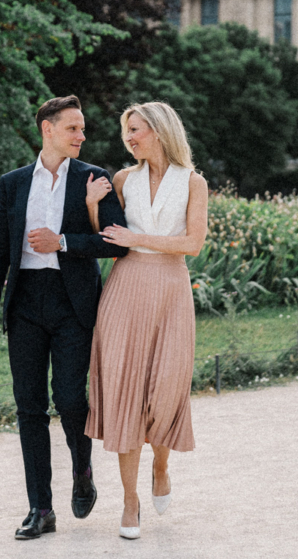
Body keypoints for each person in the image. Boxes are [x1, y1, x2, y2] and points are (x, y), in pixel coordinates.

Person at [0, 95, 131, 540]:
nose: (82, 136)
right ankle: (40, 508)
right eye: (73, 128)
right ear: (48, 129)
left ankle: (82, 469)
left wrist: (63, 242)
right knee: (29, 407)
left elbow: (116, 243)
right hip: (24, 302)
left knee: (68, 399)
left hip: (72, 304)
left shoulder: (94, 178)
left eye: (82, 129)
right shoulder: (13, 183)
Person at [84, 101, 208, 540]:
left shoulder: (193, 183)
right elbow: (110, 240)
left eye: (136, 130)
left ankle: (161, 464)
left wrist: (140, 238)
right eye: (126, 132)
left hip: (171, 293)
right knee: (125, 393)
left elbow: (192, 243)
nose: (129, 138)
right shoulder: (122, 180)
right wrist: (94, 206)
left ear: (160, 131)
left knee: (165, 392)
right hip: (125, 289)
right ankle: (130, 502)